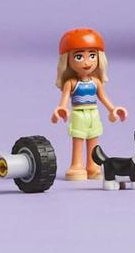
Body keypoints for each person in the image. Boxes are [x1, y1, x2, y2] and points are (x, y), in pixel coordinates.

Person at [51, 27, 127, 181]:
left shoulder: (96, 82)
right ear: (67, 60)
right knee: (78, 140)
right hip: (78, 114)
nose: (87, 62)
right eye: (79, 57)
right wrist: (61, 109)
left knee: (93, 139)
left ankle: (93, 165)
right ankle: (77, 165)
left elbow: (103, 97)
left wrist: (113, 109)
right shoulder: (71, 83)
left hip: (94, 113)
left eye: (92, 56)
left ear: (99, 58)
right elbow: (64, 100)